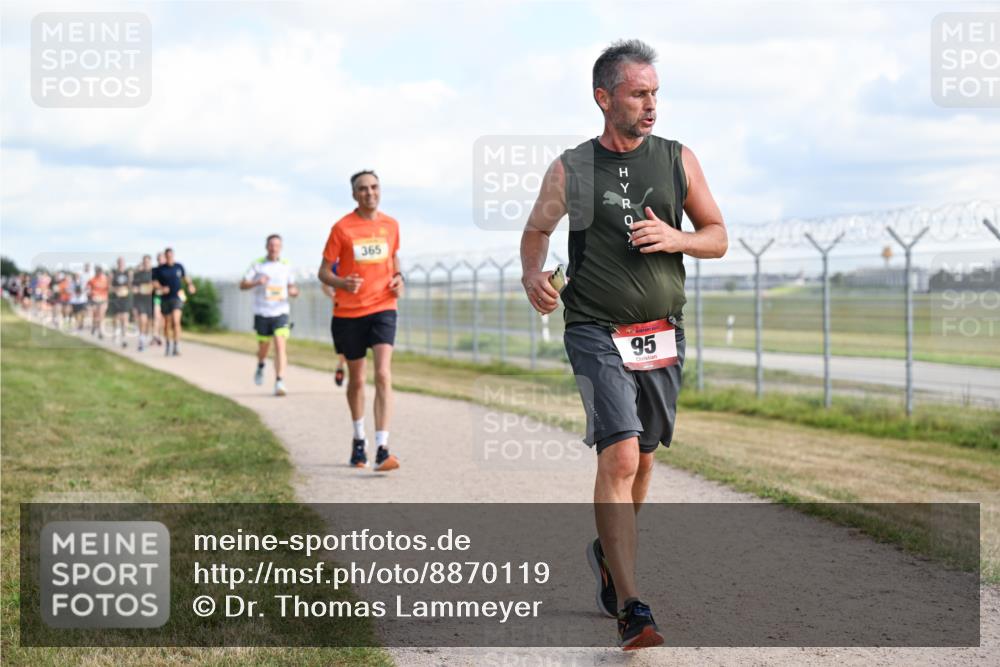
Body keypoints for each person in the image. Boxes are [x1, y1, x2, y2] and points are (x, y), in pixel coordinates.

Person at [519, 39, 727, 650]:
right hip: (593, 328)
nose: (651, 104)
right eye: (639, 93)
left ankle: (608, 556)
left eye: (655, 93)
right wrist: (534, 273)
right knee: (622, 456)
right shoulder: (572, 168)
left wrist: (676, 237)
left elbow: (716, 236)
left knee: (648, 456)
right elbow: (537, 231)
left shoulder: (678, 159)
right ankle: (633, 608)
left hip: (660, 332)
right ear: (603, 97)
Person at [318, 170, 404, 471]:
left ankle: (382, 447)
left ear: (380, 190)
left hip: (383, 306)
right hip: (349, 313)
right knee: (356, 380)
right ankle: (359, 440)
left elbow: (393, 260)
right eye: (362, 189)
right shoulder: (342, 228)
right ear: (354, 195)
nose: (369, 193)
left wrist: (398, 278)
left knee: (382, 373)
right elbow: (324, 272)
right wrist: (342, 284)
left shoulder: (391, 225)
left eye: (374, 187)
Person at [240, 234, 299, 396]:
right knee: (263, 348)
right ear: (267, 247)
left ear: (281, 248)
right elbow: (242, 284)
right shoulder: (257, 265)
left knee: (280, 345)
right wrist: (256, 282)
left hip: (280, 312)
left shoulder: (286, 265)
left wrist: (293, 291)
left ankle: (279, 381)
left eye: (277, 246)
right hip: (262, 312)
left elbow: (293, 287)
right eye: (271, 245)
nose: (274, 248)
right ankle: (260, 365)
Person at [152, 248, 196, 356]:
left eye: (171, 255)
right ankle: (168, 344)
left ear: (173, 256)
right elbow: (154, 282)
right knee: (167, 324)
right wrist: (162, 288)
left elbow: (186, 278)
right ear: (165, 256)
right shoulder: (160, 269)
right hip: (165, 299)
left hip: (177, 297)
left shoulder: (179, 267)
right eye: (167, 256)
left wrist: (190, 285)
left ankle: (176, 346)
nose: (169, 257)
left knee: (176, 321)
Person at [321, 274, 348, 386]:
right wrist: (333, 295)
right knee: (344, 349)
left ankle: (354, 379)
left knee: (356, 350)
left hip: (362, 315)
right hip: (341, 315)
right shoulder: (336, 266)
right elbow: (325, 285)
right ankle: (341, 366)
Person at [132, 255, 155, 351]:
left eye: (148, 262)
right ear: (143, 262)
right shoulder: (138, 274)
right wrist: (136, 289)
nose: (146, 263)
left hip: (151, 301)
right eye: (144, 262)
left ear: (150, 262)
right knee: (143, 320)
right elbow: (133, 287)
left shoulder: (155, 273)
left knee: (149, 323)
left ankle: (144, 337)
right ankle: (141, 341)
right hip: (141, 301)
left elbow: (158, 285)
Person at [108, 257, 132, 348]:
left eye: (123, 262)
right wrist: (116, 289)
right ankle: (116, 333)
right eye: (119, 262)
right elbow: (109, 287)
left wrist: (128, 287)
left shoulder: (128, 273)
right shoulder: (113, 273)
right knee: (116, 317)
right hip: (116, 298)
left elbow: (130, 286)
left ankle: (124, 338)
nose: (121, 264)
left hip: (125, 298)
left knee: (125, 317)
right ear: (117, 263)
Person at [87, 266, 109, 338]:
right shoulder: (92, 280)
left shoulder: (105, 279)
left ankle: (100, 331)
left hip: (103, 299)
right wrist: (90, 293)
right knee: (95, 316)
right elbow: (88, 289)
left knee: (101, 315)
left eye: (100, 271)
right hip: (94, 300)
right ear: (95, 272)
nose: (99, 272)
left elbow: (109, 288)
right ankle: (94, 326)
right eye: (97, 271)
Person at [151, 252, 165, 346]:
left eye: (161, 258)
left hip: (167, 298)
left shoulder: (169, 269)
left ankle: (160, 336)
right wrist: (162, 288)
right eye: (158, 258)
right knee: (156, 316)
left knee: (163, 318)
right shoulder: (154, 270)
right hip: (157, 296)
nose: (160, 260)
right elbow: (153, 282)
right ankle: (155, 336)